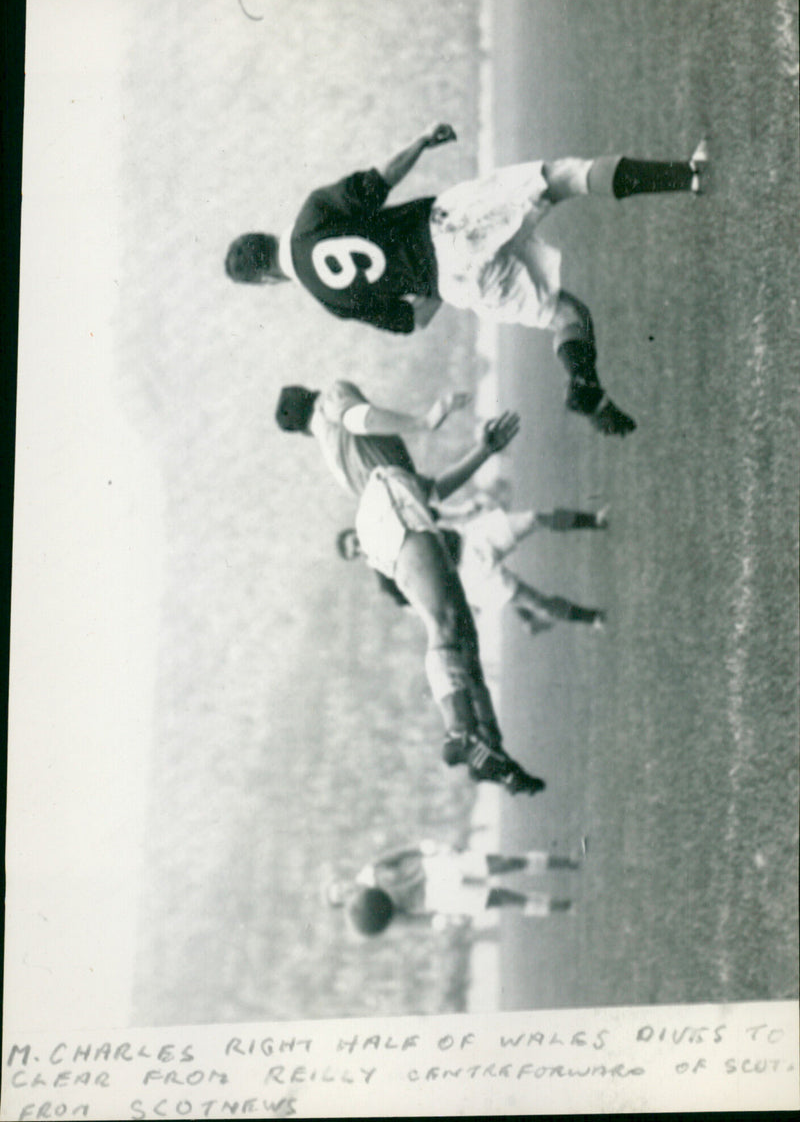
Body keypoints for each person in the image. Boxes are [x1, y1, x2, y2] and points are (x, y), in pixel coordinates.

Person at [227, 125, 708, 437]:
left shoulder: (327, 299)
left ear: (266, 280)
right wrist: (420, 142)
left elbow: (411, 320)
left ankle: (585, 382)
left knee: (567, 316)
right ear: (265, 236)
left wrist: (440, 284)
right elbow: (381, 181)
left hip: (455, 283)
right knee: (564, 178)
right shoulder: (313, 213)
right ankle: (688, 174)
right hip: (450, 222)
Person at [274, 378, 544, 796]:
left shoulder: (336, 450)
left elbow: (429, 490)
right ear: (310, 392)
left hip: (390, 506)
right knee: (445, 625)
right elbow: (358, 416)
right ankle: (460, 734)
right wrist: (427, 419)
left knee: (462, 638)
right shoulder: (332, 399)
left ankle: (492, 756)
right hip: (389, 501)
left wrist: (484, 452)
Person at [336, 503, 609, 634]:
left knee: (533, 518)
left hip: (469, 538)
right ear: (356, 558)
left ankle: (595, 520)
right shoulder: (385, 579)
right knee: (535, 601)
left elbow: (431, 512)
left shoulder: (391, 523)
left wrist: (464, 509)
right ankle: (593, 618)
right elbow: (415, 606)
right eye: (355, 552)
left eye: (356, 541)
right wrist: (459, 610)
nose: (360, 548)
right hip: (469, 577)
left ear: (359, 532)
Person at [326, 838, 586, 935]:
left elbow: (406, 850)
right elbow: (411, 924)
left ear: (344, 879)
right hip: (438, 898)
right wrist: (443, 922)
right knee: (504, 899)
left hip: (438, 867)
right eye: (341, 896)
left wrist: (435, 847)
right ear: (345, 905)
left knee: (506, 863)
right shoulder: (373, 914)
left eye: (340, 886)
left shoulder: (373, 867)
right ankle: (565, 906)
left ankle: (568, 862)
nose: (345, 890)